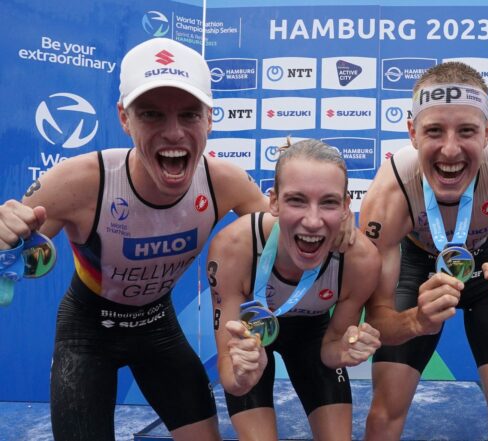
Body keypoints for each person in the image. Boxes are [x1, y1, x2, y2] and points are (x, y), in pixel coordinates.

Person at [0, 38, 345, 440]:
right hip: (86, 334)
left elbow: (283, 231)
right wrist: (3, 239)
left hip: (157, 329)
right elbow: (16, 260)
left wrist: (338, 223)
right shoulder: (78, 182)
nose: (174, 133)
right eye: (151, 115)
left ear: (210, 119)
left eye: (189, 114)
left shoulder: (225, 182)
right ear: (124, 118)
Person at [360, 61, 488, 440]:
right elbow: (378, 319)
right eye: (434, 130)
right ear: (412, 133)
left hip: (487, 266)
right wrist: (417, 320)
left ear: (487, 132)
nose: (450, 150)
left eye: (466, 131)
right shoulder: (390, 194)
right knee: (384, 415)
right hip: (416, 267)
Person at [207, 139, 381, 441]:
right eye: (297, 200)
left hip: (313, 335)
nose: (312, 221)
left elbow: (329, 352)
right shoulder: (234, 248)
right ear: (273, 202)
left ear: (344, 207)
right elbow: (229, 375)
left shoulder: (361, 260)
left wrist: (343, 352)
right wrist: (242, 375)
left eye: (328, 202)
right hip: (252, 336)